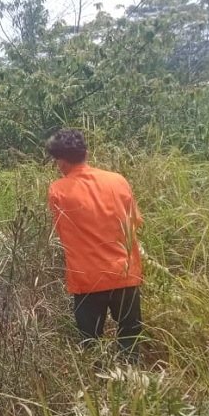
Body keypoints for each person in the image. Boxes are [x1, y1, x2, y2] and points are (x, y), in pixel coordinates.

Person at [46, 128, 144, 355]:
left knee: (91, 344)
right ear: (86, 154)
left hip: (87, 280)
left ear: (60, 162)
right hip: (125, 273)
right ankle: (131, 382)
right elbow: (134, 222)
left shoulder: (58, 191)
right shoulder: (118, 181)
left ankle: (98, 385)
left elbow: (61, 232)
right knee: (130, 334)